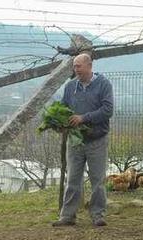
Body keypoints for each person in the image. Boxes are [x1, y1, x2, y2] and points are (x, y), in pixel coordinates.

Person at [52, 53, 114, 228]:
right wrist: (59, 122)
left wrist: (84, 118)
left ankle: (97, 215)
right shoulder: (70, 87)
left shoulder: (103, 84)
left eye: (79, 66)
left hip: (97, 140)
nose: (76, 69)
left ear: (89, 66)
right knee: (72, 179)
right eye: (74, 66)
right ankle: (68, 216)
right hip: (75, 140)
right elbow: (63, 108)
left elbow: (108, 110)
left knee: (98, 180)